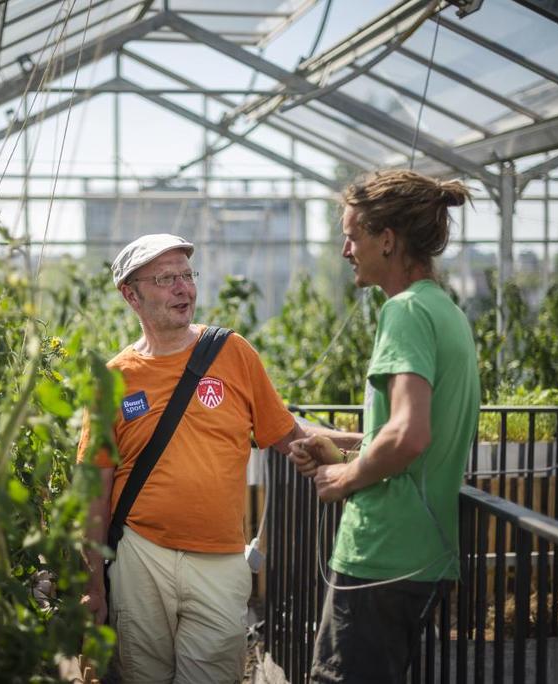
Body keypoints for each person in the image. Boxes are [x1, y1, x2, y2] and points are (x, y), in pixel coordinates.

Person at [77, 233, 358, 684]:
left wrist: (366, 441)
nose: (183, 288)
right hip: (140, 555)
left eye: (187, 275)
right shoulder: (113, 379)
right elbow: (95, 486)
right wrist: (93, 582)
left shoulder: (232, 352)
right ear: (131, 294)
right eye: (166, 278)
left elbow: (285, 431)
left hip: (220, 558)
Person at [288, 170, 480, 684]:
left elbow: (410, 436)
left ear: (388, 240)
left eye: (353, 235)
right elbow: (405, 433)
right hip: (421, 553)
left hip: (382, 554)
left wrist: (344, 478)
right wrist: (339, 446)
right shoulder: (445, 310)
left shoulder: (406, 311)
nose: (346, 249)